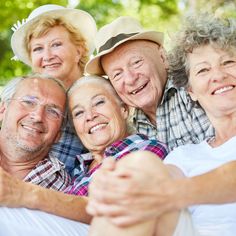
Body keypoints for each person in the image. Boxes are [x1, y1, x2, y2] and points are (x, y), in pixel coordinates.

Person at [86, 15, 236, 234]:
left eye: (136, 62)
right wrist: (115, 186)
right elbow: (154, 177)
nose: (129, 78)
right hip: (181, 220)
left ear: (163, 58)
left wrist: (167, 193)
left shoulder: (184, 91)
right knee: (136, 169)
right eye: (117, 74)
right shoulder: (148, 137)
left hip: (179, 203)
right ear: (192, 90)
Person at [0, 75, 167, 234]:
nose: (90, 116)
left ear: (123, 109)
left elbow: (123, 208)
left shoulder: (145, 149)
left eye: (99, 102)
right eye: (78, 113)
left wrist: (25, 193)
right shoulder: (77, 173)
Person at [11, 4, 97, 175]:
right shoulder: (23, 100)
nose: (47, 56)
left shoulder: (98, 95)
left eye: (56, 44)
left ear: (79, 51)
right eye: (38, 49)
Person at [0, 73, 70, 190]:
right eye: (28, 102)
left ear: (59, 133)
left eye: (53, 111)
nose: (38, 116)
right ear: (3, 110)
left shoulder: (64, 189)